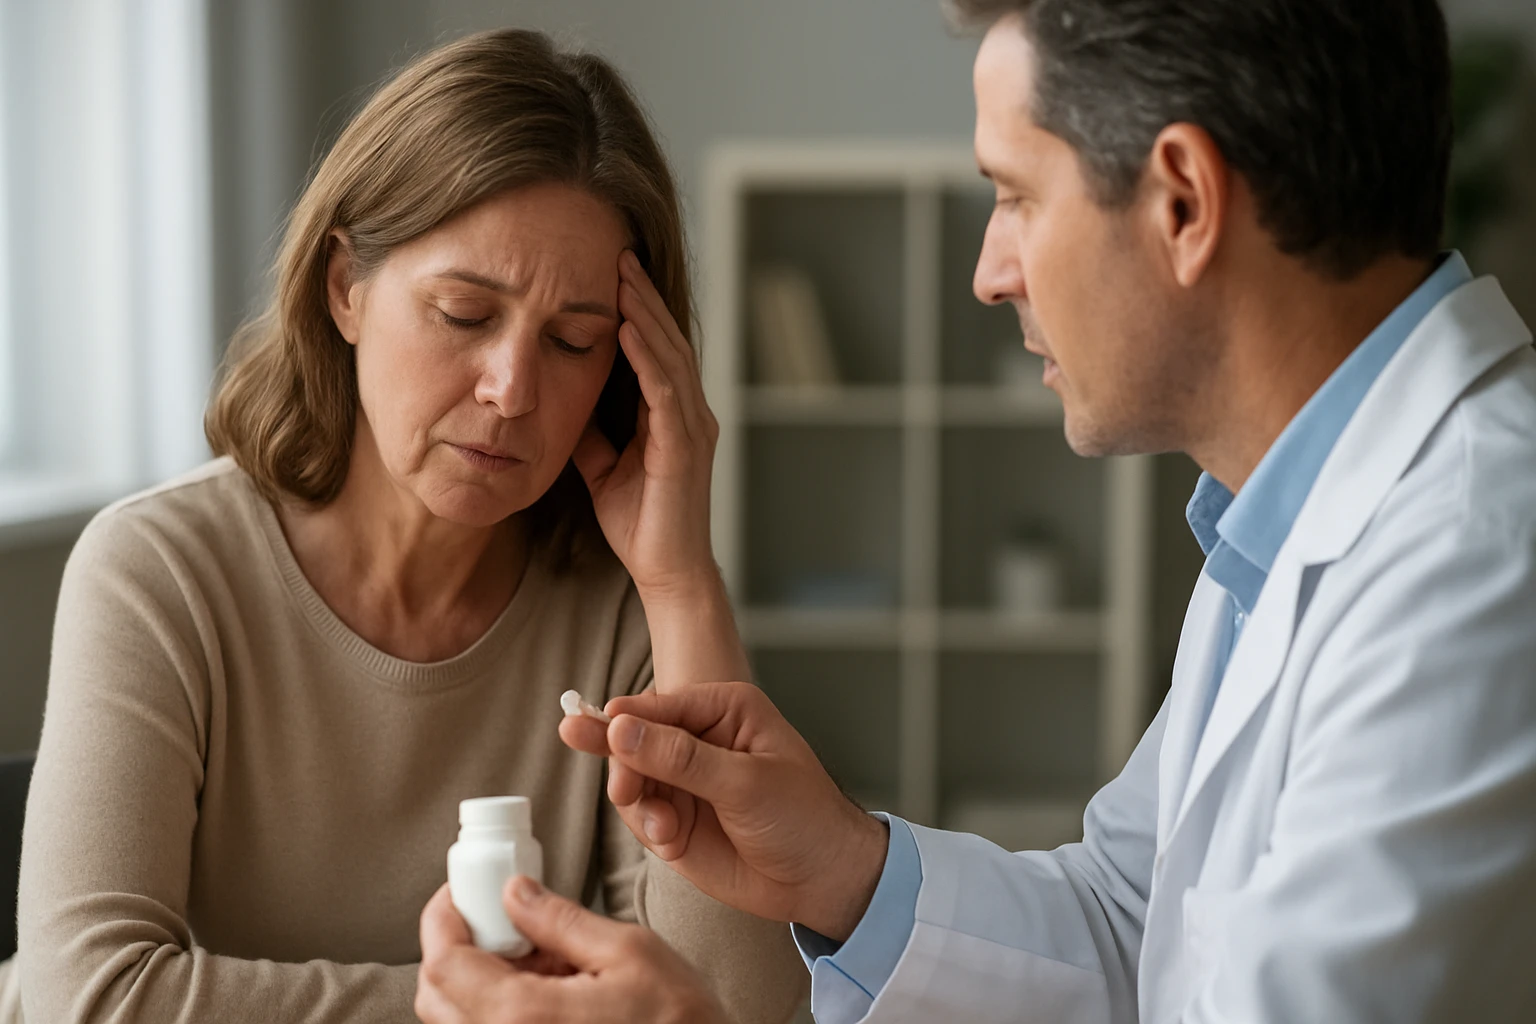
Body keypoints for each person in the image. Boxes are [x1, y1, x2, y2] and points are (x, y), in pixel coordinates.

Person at [413, 1, 1536, 1022]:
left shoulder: (1480, 560)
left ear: (1183, 202)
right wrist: (843, 867)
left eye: (1014, 196)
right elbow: (1130, 925)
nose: (989, 273)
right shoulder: (1293, 525)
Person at [0, 28, 807, 1024]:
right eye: (466, 314)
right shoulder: (160, 572)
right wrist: (496, 1009)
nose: (512, 389)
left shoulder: (627, 611)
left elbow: (740, 1010)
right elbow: (93, 999)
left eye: (573, 340)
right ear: (345, 287)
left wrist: (683, 582)